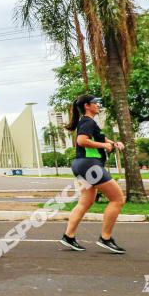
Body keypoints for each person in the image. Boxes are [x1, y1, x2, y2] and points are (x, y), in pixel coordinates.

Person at [60, 94, 127, 254]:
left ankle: (68, 236)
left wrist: (113, 143)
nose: (98, 105)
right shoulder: (87, 122)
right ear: (86, 106)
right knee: (117, 199)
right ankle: (105, 238)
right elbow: (82, 141)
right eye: (95, 103)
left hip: (81, 164)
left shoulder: (89, 123)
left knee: (85, 202)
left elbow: (100, 137)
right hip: (90, 165)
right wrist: (105, 145)